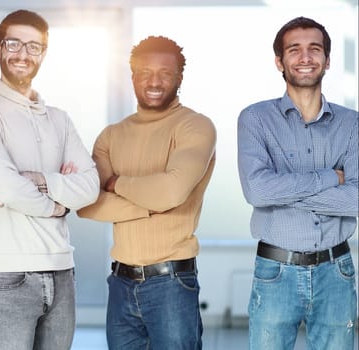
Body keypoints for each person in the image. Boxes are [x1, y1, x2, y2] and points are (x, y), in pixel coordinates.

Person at [0, 9, 99, 350]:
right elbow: (5, 186)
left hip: (62, 270)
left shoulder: (59, 119)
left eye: (34, 47)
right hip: (7, 274)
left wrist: (36, 179)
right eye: (14, 43)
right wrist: (57, 207)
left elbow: (91, 185)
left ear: (43, 55)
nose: (23, 54)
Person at [78, 35, 216, 349]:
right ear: (132, 78)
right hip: (120, 283)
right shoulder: (111, 135)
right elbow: (86, 203)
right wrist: (151, 204)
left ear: (179, 77)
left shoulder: (195, 126)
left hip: (170, 284)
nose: (154, 82)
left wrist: (115, 184)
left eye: (165, 73)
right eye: (144, 73)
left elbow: (171, 192)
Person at [237, 16, 358, 350]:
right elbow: (257, 191)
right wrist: (330, 178)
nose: (305, 58)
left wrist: (283, 191)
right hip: (276, 271)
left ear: (328, 60)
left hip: (337, 272)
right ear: (280, 61)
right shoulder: (255, 119)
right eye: (295, 50)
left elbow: (357, 198)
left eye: (314, 49)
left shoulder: (351, 124)